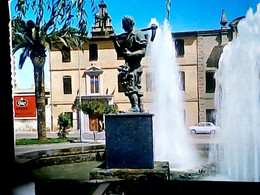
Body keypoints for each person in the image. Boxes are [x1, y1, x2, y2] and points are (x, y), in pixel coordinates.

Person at [112, 16, 147, 112]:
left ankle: (136, 107)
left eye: (124, 24)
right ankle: (140, 108)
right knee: (134, 87)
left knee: (132, 87)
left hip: (135, 66)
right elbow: (120, 52)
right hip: (129, 65)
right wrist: (114, 41)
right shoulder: (127, 36)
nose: (123, 27)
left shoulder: (138, 34)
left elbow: (143, 51)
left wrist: (131, 54)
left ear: (129, 23)